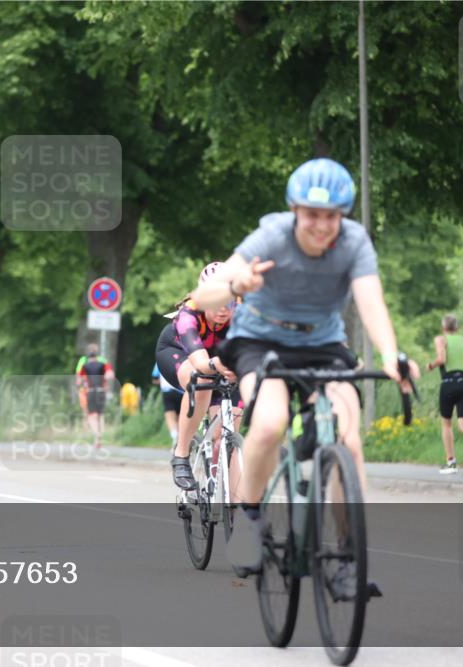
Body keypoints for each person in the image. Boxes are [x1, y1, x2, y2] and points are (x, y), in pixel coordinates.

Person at [191, 157, 417, 577]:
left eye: (331, 216)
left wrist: (390, 355)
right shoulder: (273, 235)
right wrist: (237, 285)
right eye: (312, 215)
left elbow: (371, 301)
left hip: (323, 343)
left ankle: (351, 557)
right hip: (261, 341)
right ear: (296, 211)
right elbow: (204, 297)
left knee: (349, 440)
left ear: (342, 215)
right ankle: (251, 520)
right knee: (271, 422)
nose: (321, 225)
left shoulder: (354, 242)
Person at [156, 262, 242, 493]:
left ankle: (234, 507)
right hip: (181, 353)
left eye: (229, 301)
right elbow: (203, 364)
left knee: (227, 439)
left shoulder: (244, 313)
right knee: (202, 380)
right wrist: (220, 364)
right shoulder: (188, 314)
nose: (224, 309)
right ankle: (181, 455)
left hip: (219, 357)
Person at [427, 314, 463, 471]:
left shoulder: (441, 339)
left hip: (449, 384)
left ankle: (451, 462)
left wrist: (430, 366)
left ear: (443, 328)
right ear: (457, 328)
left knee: (446, 424)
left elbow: (442, 359)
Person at [76, 344, 114, 448]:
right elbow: (110, 375)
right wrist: (104, 378)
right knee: (100, 415)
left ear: (88, 355)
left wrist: (82, 383)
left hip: (91, 391)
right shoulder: (103, 363)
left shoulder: (85, 365)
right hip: (101, 391)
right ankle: (99, 438)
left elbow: (79, 380)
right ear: (97, 354)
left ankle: (96, 435)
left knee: (92, 416)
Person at [152, 363, 183, 447]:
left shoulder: (161, 359)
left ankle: (175, 436)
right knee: (181, 416)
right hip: (182, 390)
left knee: (170, 415)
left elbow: (154, 378)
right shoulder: (185, 355)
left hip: (167, 390)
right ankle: (182, 438)